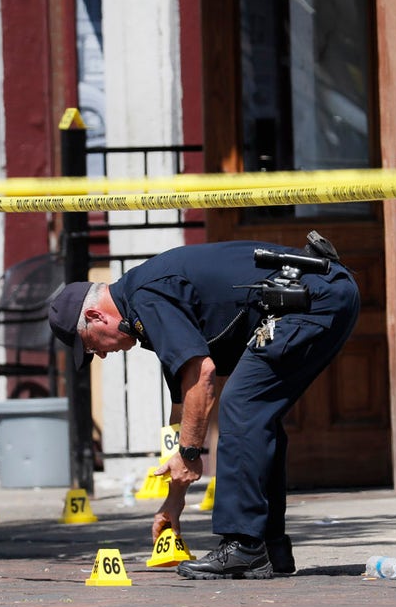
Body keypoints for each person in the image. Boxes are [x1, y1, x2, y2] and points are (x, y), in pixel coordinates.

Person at [49, 237, 359, 580]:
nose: (102, 355)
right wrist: (174, 499)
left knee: (242, 405)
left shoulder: (146, 298)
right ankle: (270, 547)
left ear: (95, 316)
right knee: (256, 415)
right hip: (322, 294)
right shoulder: (145, 307)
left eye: (91, 346)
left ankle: (244, 545)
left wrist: (191, 454)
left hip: (313, 298)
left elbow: (203, 376)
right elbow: (183, 407)